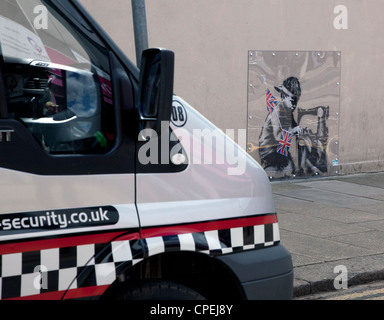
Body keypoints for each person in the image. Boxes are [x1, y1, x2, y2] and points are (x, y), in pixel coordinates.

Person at [259, 77, 303, 174]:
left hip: (280, 147)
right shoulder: (277, 111)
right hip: (269, 149)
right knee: (289, 166)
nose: (294, 105)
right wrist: (293, 130)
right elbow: (278, 135)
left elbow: (294, 126)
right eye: (292, 101)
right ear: (283, 97)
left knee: (292, 167)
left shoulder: (288, 111)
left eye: (296, 101)